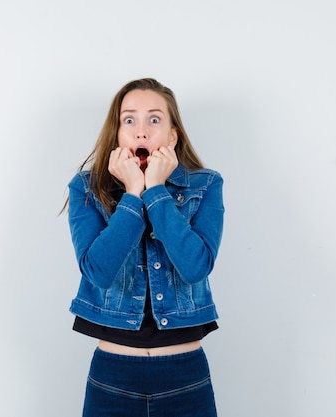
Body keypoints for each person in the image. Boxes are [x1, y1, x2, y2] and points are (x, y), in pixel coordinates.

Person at [64, 78, 224, 416]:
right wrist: (133, 195)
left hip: (185, 376)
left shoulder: (206, 185)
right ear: (118, 134)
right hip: (113, 375)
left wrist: (155, 191)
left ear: (173, 135)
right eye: (129, 120)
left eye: (154, 119)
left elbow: (196, 266)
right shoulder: (86, 189)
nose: (141, 132)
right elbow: (99, 272)